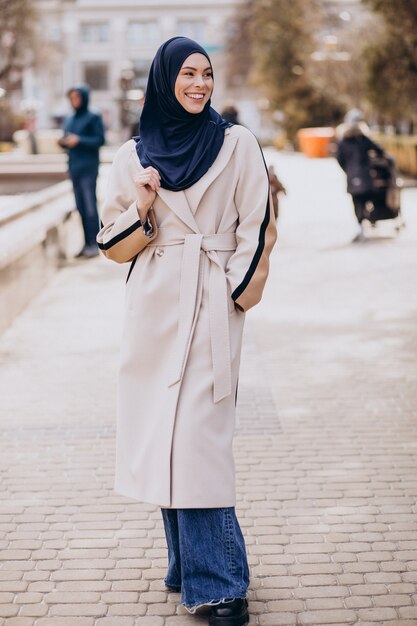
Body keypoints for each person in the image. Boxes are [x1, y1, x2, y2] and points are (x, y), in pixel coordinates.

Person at [97, 37, 277, 626]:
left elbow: (258, 223)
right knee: (164, 434)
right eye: (187, 74)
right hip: (153, 307)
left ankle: (221, 582)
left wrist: (233, 294)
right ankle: (185, 565)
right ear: (164, 80)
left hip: (210, 302)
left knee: (199, 438)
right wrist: (144, 207)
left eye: (207, 74)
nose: (199, 84)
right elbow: (111, 246)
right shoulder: (131, 156)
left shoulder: (237, 143)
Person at [58, 85, 105, 258]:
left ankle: (95, 244)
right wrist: (64, 142)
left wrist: (79, 140)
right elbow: (66, 139)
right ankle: (86, 244)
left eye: (77, 97)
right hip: (74, 168)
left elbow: (100, 140)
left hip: (88, 168)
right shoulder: (69, 118)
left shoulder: (94, 116)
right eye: (71, 98)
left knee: (90, 207)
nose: (74, 101)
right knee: (80, 208)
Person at [336, 109, 385, 242]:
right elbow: (380, 150)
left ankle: (360, 224)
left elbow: (340, 159)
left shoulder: (343, 142)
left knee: (357, 202)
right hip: (366, 176)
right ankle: (366, 220)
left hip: (352, 177)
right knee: (367, 198)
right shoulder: (363, 139)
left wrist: (348, 170)